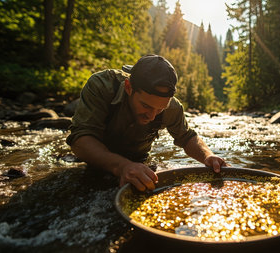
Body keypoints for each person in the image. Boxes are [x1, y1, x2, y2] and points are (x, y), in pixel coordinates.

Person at [66, 55, 227, 191]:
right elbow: (80, 139)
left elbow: (187, 137)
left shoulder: (172, 107)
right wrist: (122, 166)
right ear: (128, 87)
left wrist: (208, 156)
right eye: (145, 106)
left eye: (160, 109)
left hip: (138, 162)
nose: (151, 116)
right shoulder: (102, 86)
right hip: (96, 159)